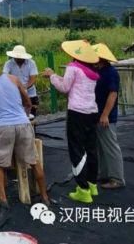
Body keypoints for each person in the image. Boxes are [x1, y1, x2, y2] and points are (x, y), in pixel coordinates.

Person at [0, 61, 49, 207]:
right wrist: (25, 114)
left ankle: (3, 198)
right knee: (34, 161)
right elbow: (28, 102)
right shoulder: (13, 78)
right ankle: (45, 197)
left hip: (4, 126)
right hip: (23, 124)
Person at [43, 40, 100, 204]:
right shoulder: (91, 70)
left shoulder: (73, 68)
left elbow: (65, 87)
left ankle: (83, 190)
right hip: (91, 111)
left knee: (76, 149)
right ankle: (92, 184)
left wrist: (52, 75)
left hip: (77, 112)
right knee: (91, 148)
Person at [93, 43, 125, 189]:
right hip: (97, 114)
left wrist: (105, 114)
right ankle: (104, 174)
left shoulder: (110, 72)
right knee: (101, 147)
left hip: (106, 116)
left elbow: (113, 93)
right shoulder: (98, 71)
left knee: (111, 147)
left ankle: (117, 178)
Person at [4, 45, 40, 116]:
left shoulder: (31, 63)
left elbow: (33, 78)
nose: (19, 59)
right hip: (14, 93)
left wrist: (25, 87)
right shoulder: (8, 64)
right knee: (16, 115)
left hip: (30, 93)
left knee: (31, 115)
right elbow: (5, 76)